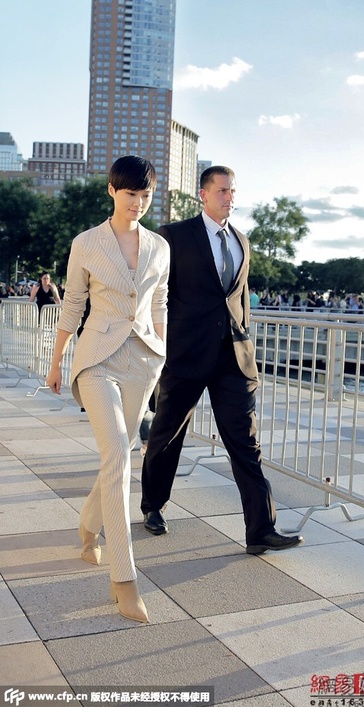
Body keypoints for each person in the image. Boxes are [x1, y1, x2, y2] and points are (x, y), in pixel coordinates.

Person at [140, 165, 303, 554]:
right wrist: (159, 347)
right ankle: (153, 505)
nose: (230, 197)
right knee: (167, 434)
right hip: (186, 354)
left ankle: (261, 530)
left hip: (233, 359)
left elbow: (239, 297)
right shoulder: (174, 235)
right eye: (223, 191)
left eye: (233, 191)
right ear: (204, 194)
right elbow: (157, 294)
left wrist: (245, 341)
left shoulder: (242, 241)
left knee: (245, 442)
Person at [46, 155, 169, 623]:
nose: (138, 202)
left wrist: (163, 352)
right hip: (97, 359)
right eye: (130, 193)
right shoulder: (87, 243)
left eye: (145, 195)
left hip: (144, 361)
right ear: (112, 191)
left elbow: (159, 301)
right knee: (118, 450)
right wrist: (57, 361)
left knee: (121, 453)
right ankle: (124, 579)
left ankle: (88, 524)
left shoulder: (159, 246)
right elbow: (73, 302)